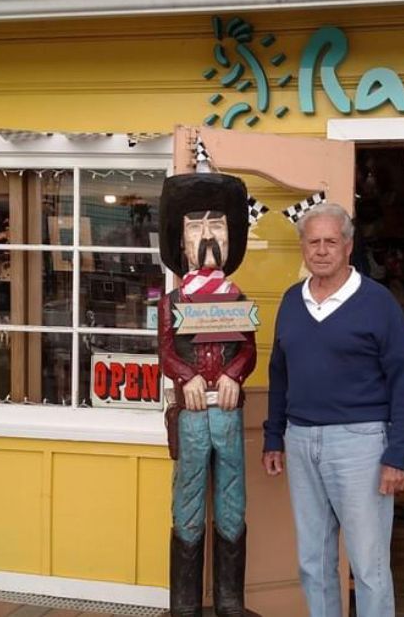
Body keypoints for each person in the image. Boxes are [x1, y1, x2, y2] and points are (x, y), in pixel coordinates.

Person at [262, 202, 404, 617]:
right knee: (313, 562)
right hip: (300, 440)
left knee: (369, 566)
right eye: (313, 241)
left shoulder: (378, 303)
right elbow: (280, 374)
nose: (321, 250)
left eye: (331, 241)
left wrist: (398, 454)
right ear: (302, 247)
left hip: (361, 443)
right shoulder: (291, 301)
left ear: (348, 246)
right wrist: (274, 436)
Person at [158, 173, 257, 617]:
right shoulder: (172, 301)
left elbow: (248, 349)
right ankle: (185, 602)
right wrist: (186, 376)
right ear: (181, 241)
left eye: (216, 225)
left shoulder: (237, 298)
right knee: (189, 501)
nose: (207, 236)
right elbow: (166, 350)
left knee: (232, 503)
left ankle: (229, 599)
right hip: (194, 417)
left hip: (228, 416)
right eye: (195, 227)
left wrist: (234, 373)